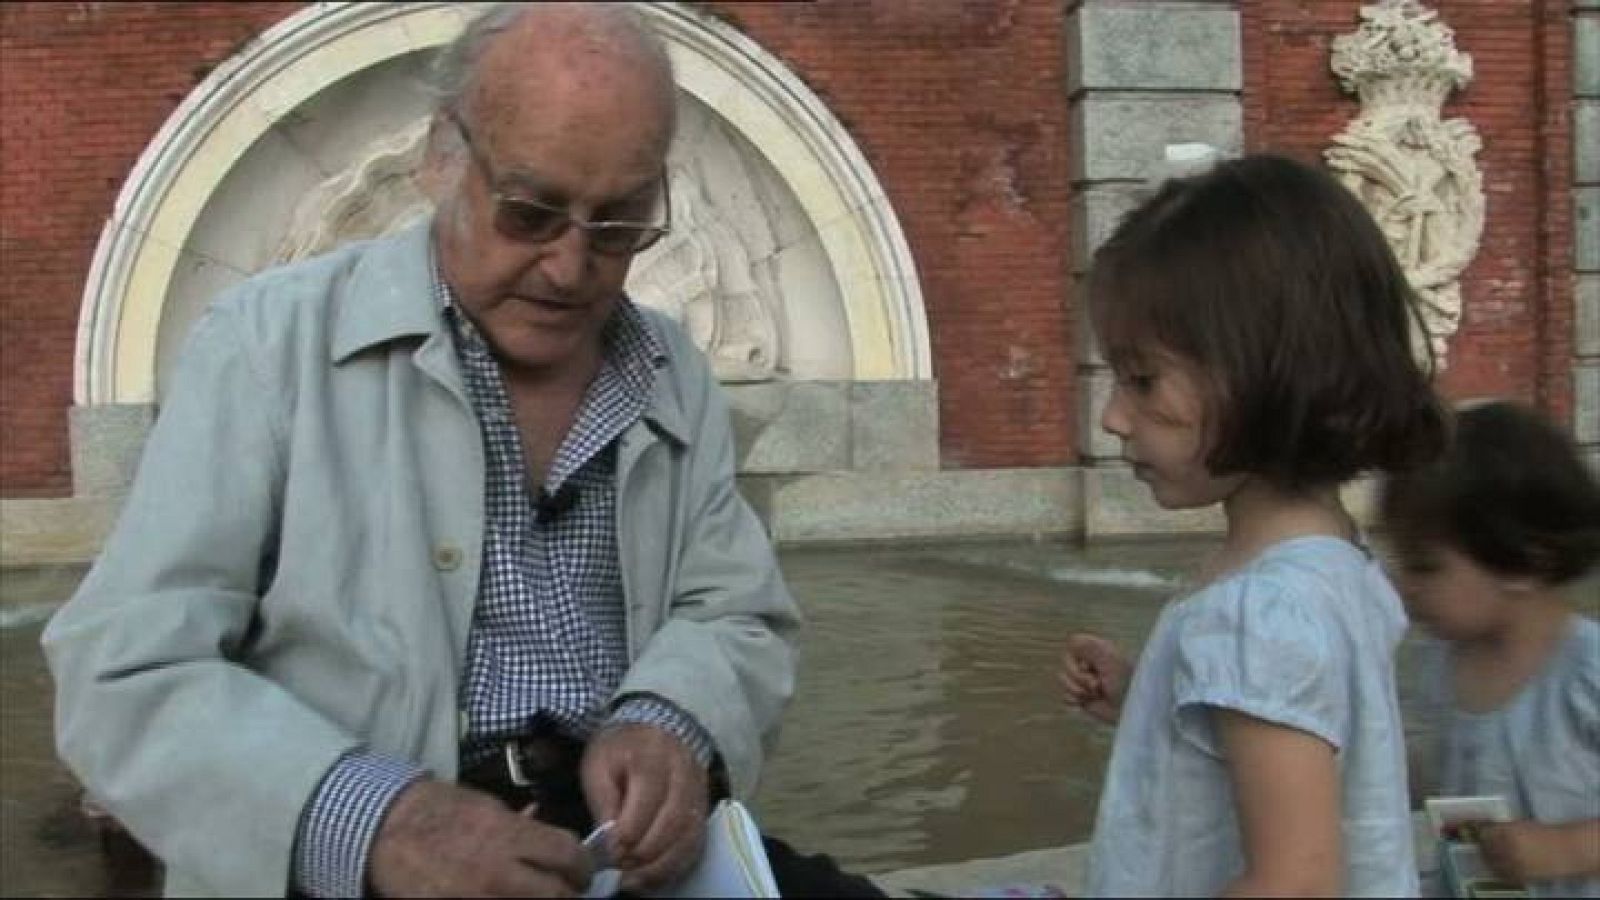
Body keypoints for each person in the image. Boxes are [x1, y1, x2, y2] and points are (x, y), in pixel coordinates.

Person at [43, 5, 879, 897]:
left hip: (614, 857)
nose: (568, 267)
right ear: (443, 157)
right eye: (531, 212)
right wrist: (381, 822)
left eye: (617, 225)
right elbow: (122, 671)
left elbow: (735, 610)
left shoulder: (671, 367)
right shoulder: (266, 345)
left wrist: (672, 718)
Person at [1057, 153, 1448, 896]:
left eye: (1143, 380)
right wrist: (1152, 696)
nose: (1112, 416)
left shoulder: (1258, 612)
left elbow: (1295, 883)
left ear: (1267, 370)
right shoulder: (1334, 564)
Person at [1380, 400, 1600, 898]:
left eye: (1426, 567)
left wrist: (1564, 849)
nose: (1404, 585)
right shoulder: (1439, 662)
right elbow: (1435, 773)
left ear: (1523, 562)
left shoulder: (1585, 674)